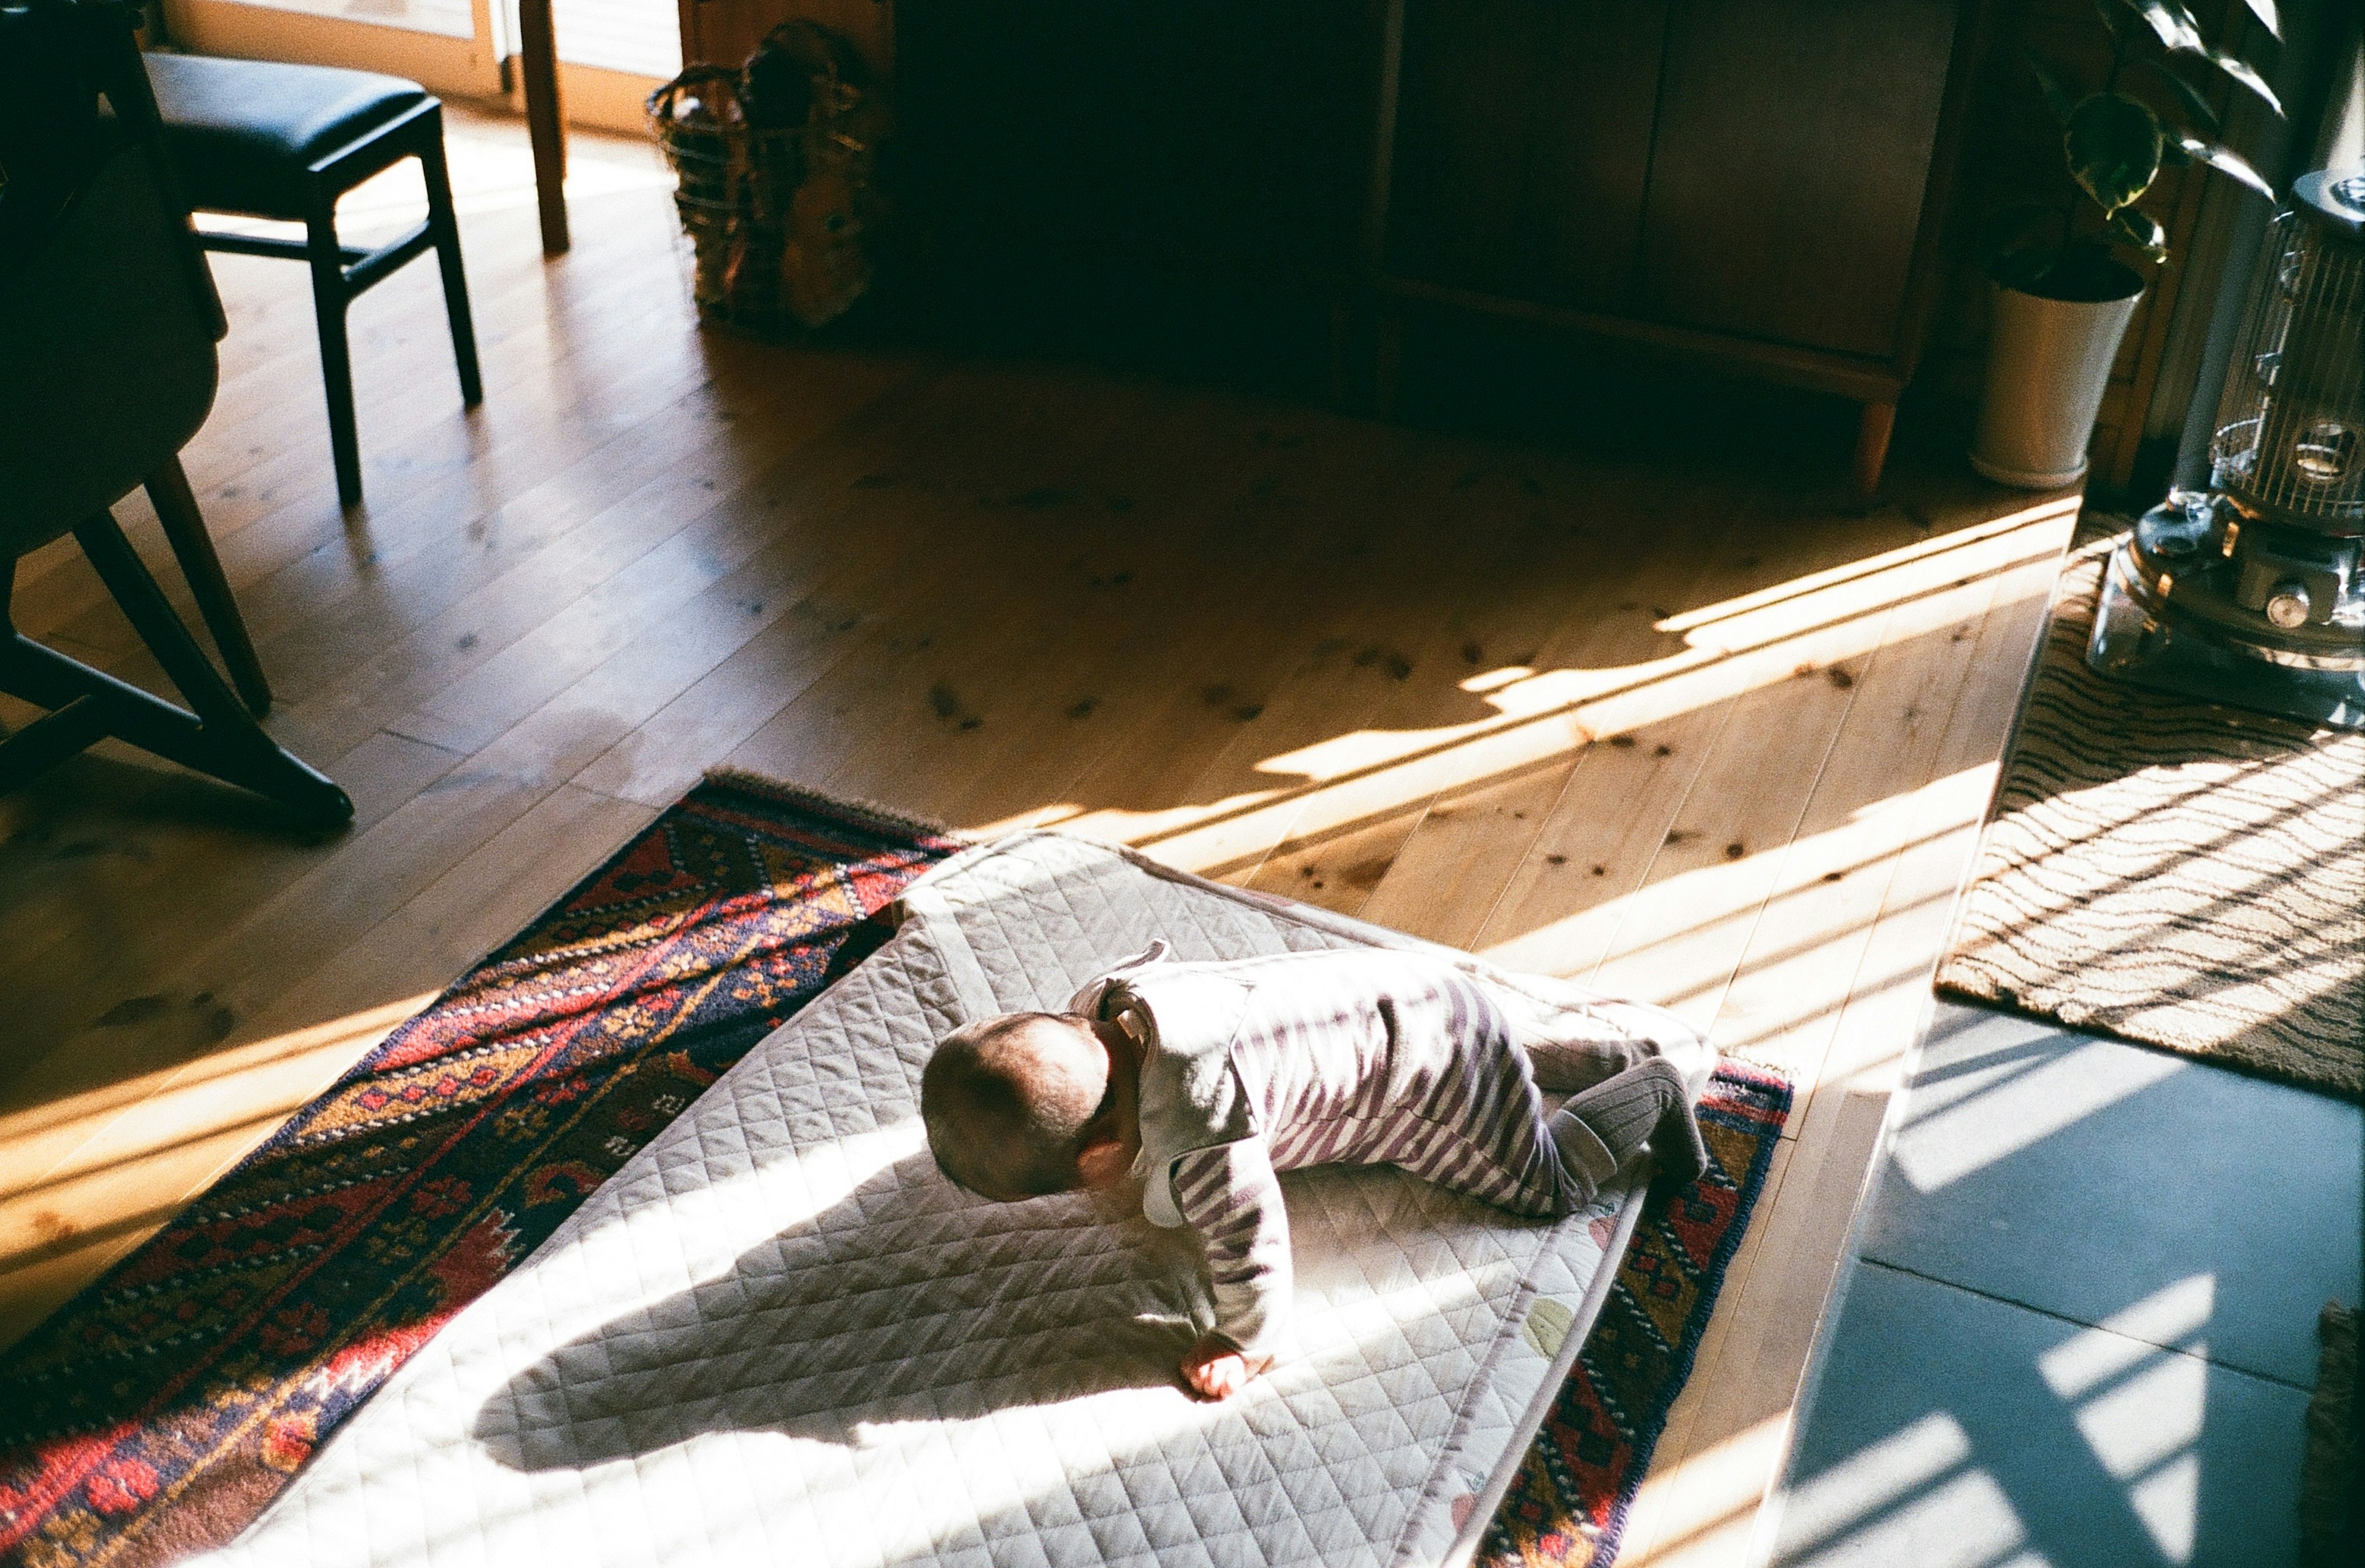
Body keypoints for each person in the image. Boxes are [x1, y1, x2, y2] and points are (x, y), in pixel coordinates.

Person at [919, 942, 1712, 1400]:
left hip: (1427, 1076)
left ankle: (1651, 1089)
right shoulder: (1110, 999)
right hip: (1411, 986)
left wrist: (1245, 1335)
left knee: (1545, 1186)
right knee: (1496, 1040)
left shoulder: (1203, 1136)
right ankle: (1605, 1052)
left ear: (1097, 1159)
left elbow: (1253, 1242)